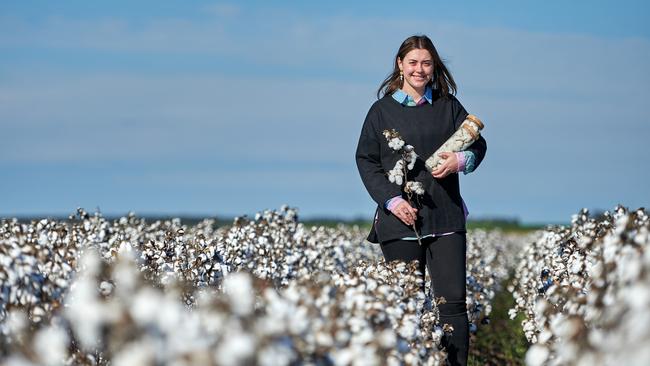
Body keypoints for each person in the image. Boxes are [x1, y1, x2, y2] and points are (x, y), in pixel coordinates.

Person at [355, 35, 487, 366]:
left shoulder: (449, 106)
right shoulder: (381, 111)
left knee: (453, 305)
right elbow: (366, 161)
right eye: (412, 62)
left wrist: (460, 162)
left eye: (426, 63)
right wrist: (392, 201)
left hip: (446, 217)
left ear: (434, 67)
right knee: (405, 306)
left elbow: (478, 145)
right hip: (399, 220)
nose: (419, 69)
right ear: (400, 65)